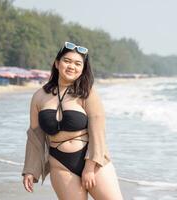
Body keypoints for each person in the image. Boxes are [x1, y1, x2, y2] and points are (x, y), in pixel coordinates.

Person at [22, 41, 123, 200]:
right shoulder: (39, 96)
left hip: (94, 162)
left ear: (82, 69)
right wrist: (30, 170)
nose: (71, 66)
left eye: (77, 63)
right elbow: (35, 136)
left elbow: (98, 134)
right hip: (60, 165)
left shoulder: (87, 93)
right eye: (67, 61)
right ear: (57, 63)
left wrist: (89, 168)